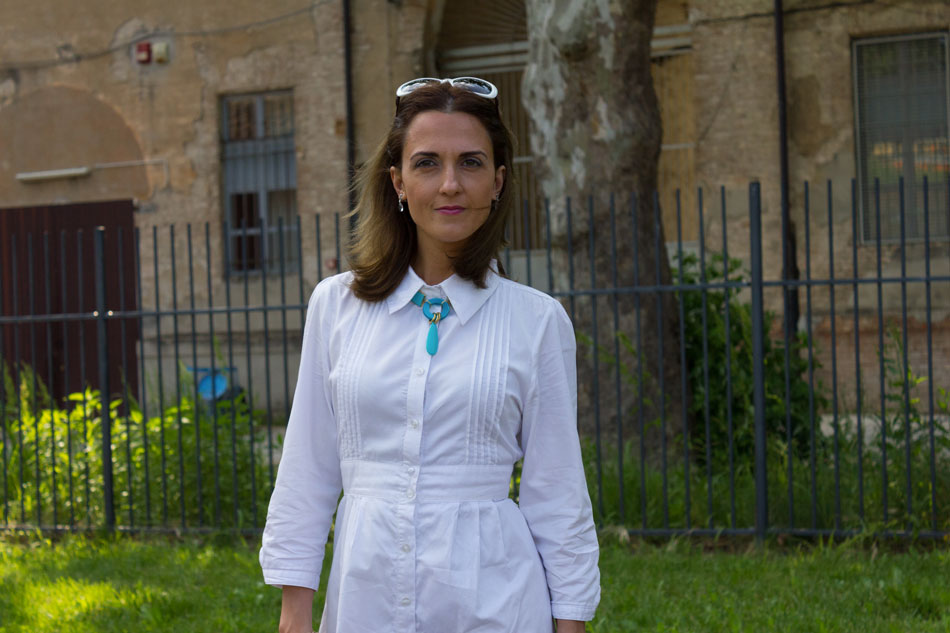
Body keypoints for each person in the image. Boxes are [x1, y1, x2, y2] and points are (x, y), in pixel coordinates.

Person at [259, 77, 600, 633]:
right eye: (426, 163)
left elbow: (557, 493)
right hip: (364, 597)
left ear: (498, 181)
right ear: (397, 181)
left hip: (495, 602)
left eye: (470, 163)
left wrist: (571, 622)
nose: (449, 184)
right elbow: (307, 469)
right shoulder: (335, 307)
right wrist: (295, 609)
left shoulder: (536, 322)